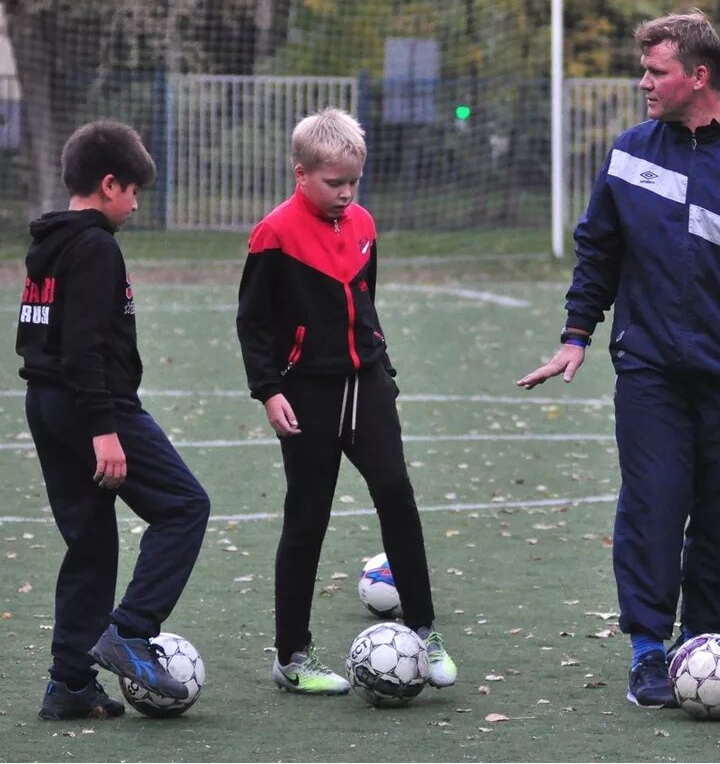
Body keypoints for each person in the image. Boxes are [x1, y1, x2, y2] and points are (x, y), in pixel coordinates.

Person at [517, 11, 720, 709]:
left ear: (698, 76)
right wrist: (577, 333)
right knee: (655, 504)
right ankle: (647, 650)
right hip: (651, 372)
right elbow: (599, 249)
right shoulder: (631, 151)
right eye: (644, 69)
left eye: (655, 71)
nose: (644, 83)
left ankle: (708, 642)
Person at [236, 108, 456, 696]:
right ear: (300, 172)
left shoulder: (363, 223)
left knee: (397, 496)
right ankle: (292, 656)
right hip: (306, 396)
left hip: (368, 389)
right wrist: (269, 389)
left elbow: (366, 301)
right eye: (334, 182)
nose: (346, 193)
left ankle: (424, 631)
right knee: (307, 517)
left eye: (353, 182)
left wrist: (379, 364)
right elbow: (253, 324)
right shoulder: (273, 234)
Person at [16, 120, 211, 720]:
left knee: (92, 546)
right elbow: (82, 347)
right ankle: (130, 630)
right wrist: (105, 428)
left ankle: (69, 684)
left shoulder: (48, 241)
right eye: (132, 191)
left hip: (47, 405)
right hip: (91, 405)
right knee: (184, 507)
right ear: (108, 184)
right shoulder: (96, 245)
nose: (134, 204)